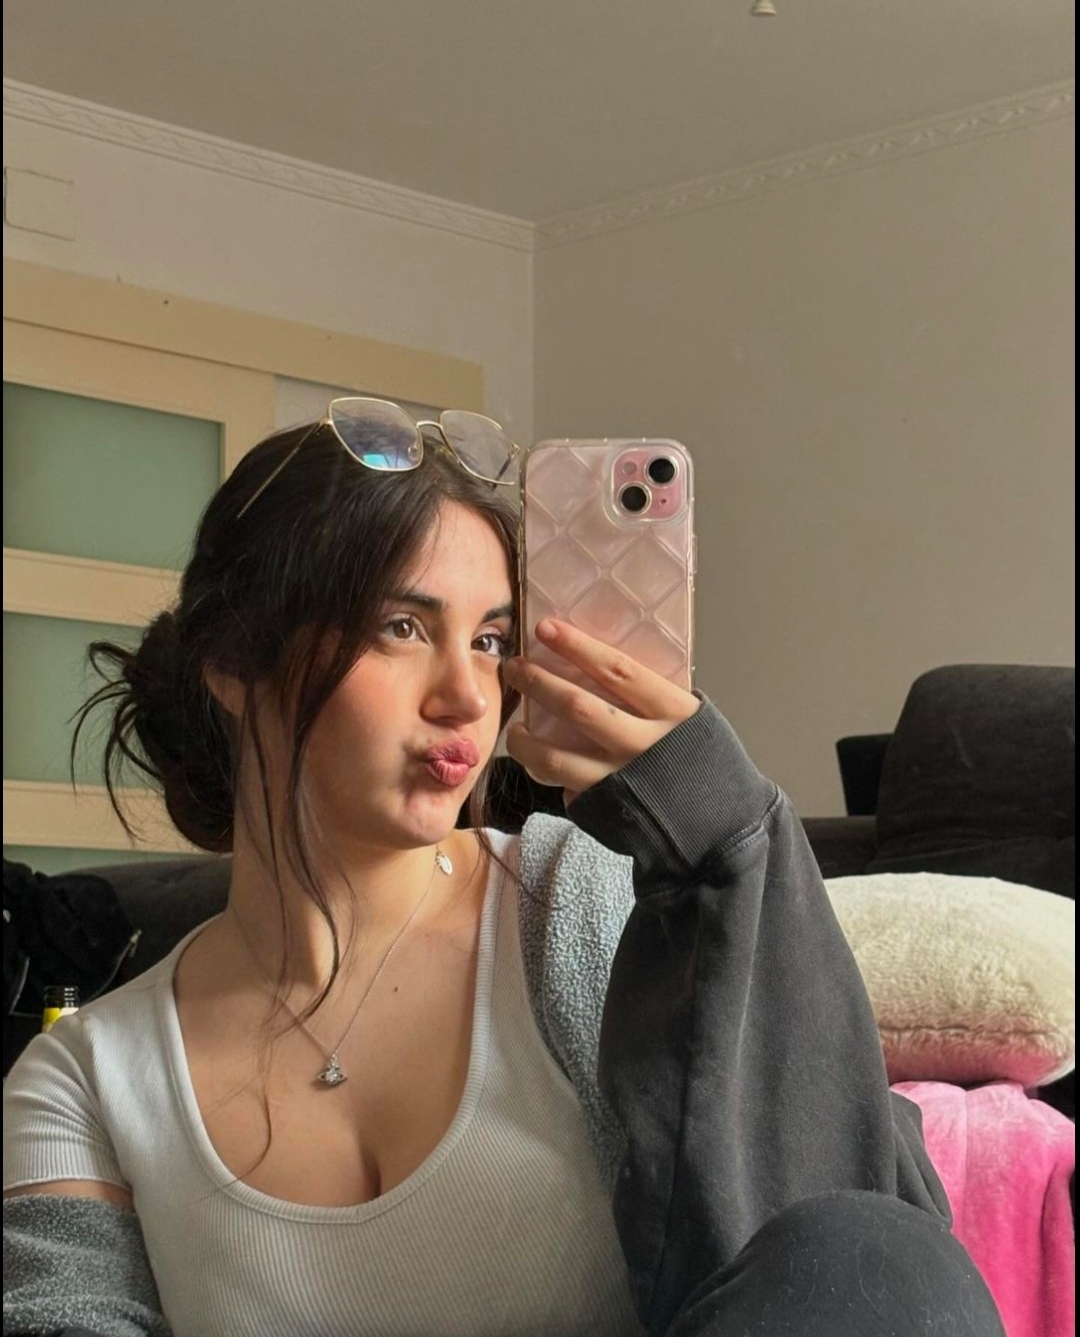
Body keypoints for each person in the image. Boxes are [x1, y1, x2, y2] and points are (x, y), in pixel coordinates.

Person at [3, 399, 1003, 1337]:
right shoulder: (86, 1076)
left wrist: (728, 837)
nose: (469, 696)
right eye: (402, 627)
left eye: (489, 640)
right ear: (234, 661)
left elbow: (845, 1247)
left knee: (883, 1254)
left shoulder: (577, 905)